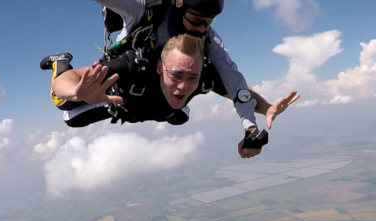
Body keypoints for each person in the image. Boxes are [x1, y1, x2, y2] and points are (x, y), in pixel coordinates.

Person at [87, 0, 299, 157]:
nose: (202, 29)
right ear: (178, 7)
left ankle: (172, 104)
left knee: (184, 106)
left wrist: (251, 128)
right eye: (196, 20)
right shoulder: (143, 10)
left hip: (169, 88)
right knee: (72, 116)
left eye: (209, 22)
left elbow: (233, 79)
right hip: (133, 79)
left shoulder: (209, 38)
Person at [50, 34, 207, 128]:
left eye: (192, 77)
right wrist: (77, 93)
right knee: (62, 102)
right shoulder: (132, 67)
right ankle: (61, 61)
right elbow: (62, 82)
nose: (183, 86)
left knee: (180, 117)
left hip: (135, 107)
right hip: (118, 96)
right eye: (176, 75)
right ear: (160, 67)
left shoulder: (204, 78)